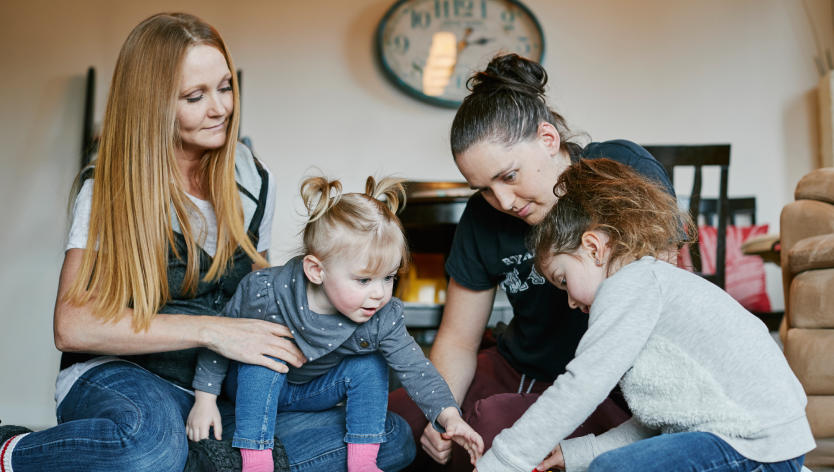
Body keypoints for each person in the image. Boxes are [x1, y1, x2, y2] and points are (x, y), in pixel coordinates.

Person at [0, 13, 414, 472]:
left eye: (225, 87)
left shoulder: (254, 179)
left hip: (213, 391)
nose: (220, 109)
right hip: (122, 376)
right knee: (148, 448)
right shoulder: (107, 190)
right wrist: (212, 331)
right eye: (195, 97)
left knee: (388, 437)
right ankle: (12, 451)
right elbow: (72, 326)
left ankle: (188, 461)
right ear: (152, 104)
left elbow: (264, 292)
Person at [388, 53, 676, 471]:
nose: (503, 201)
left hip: (606, 382)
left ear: (548, 138)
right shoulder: (482, 216)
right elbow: (458, 341)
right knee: (396, 419)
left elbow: (666, 292)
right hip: (517, 365)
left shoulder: (620, 167)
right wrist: (440, 411)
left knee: (491, 430)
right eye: (484, 188)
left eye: (508, 176)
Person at [473, 157, 813, 472]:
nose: (571, 302)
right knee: (610, 465)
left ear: (593, 248)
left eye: (564, 281)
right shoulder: (645, 287)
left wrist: (504, 460)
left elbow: (581, 385)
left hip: (755, 442)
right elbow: (658, 422)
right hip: (765, 442)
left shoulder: (628, 285)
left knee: (611, 470)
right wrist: (576, 453)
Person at [186, 175, 484, 472]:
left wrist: (450, 416)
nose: (379, 293)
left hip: (309, 393)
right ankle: (256, 462)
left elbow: (416, 368)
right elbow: (220, 337)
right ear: (316, 271)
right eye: (364, 280)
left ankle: (363, 462)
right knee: (264, 355)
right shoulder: (265, 292)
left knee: (370, 364)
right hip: (251, 389)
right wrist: (205, 400)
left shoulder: (380, 316)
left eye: (389, 277)